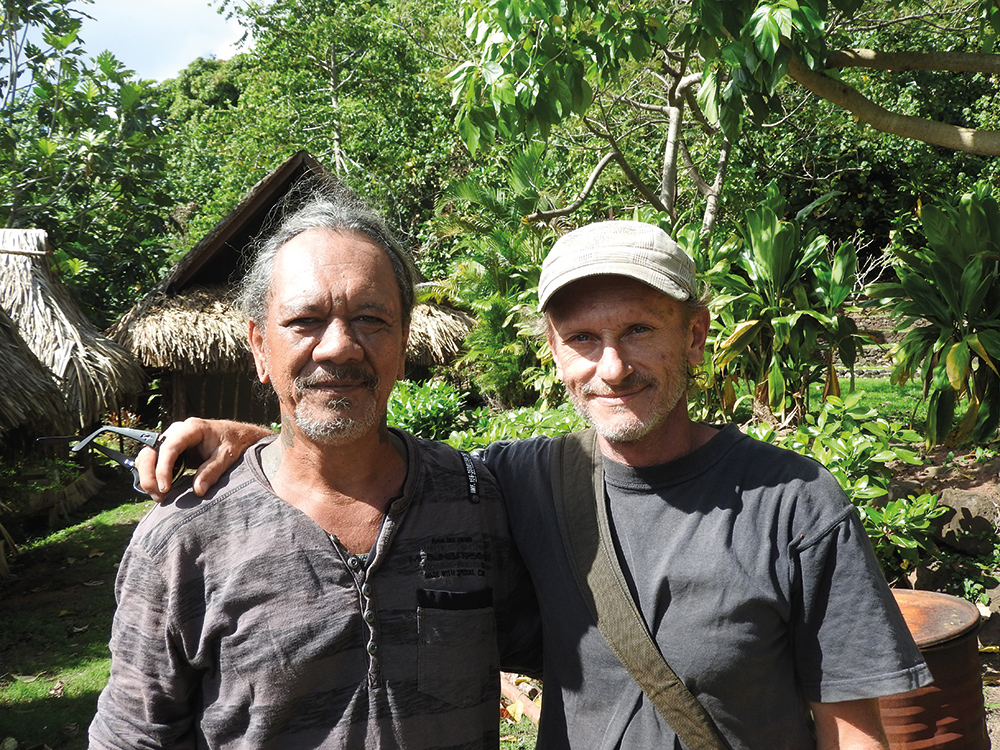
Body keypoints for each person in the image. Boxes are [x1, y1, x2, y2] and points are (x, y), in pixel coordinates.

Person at [140, 220, 932, 749]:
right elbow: (359, 458)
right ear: (554, 351)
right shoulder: (518, 480)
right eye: (583, 338)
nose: (611, 366)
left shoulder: (793, 503)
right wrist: (265, 444)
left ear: (695, 336)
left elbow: (857, 728)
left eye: (640, 331)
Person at [89, 187, 538, 749]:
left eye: (371, 319)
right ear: (259, 347)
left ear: (402, 342)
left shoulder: (474, 498)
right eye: (305, 320)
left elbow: (556, 647)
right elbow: (132, 738)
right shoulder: (185, 537)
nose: (339, 347)